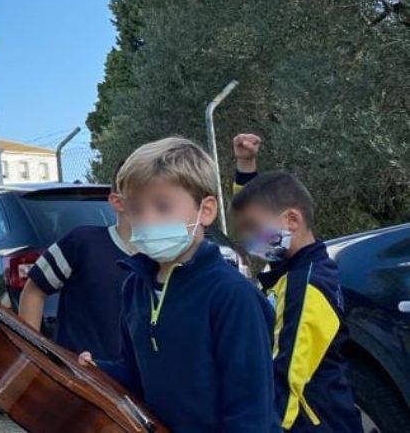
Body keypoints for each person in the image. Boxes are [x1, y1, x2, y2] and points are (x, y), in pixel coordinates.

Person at [79, 137, 278, 432]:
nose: (148, 220)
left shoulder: (232, 294)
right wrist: (99, 371)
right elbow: (136, 375)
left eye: (162, 207)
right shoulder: (135, 287)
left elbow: (251, 409)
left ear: (205, 210)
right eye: (136, 209)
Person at [232, 172, 362, 433]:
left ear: (291, 220)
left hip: (313, 423)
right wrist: (245, 167)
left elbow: (288, 375)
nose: (248, 240)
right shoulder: (292, 271)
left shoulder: (306, 286)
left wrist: (263, 426)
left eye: (253, 228)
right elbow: (250, 203)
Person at [18, 165, 135, 360]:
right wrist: (30, 355)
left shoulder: (165, 258)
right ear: (118, 202)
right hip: (77, 373)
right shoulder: (82, 242)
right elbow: (34, 291)